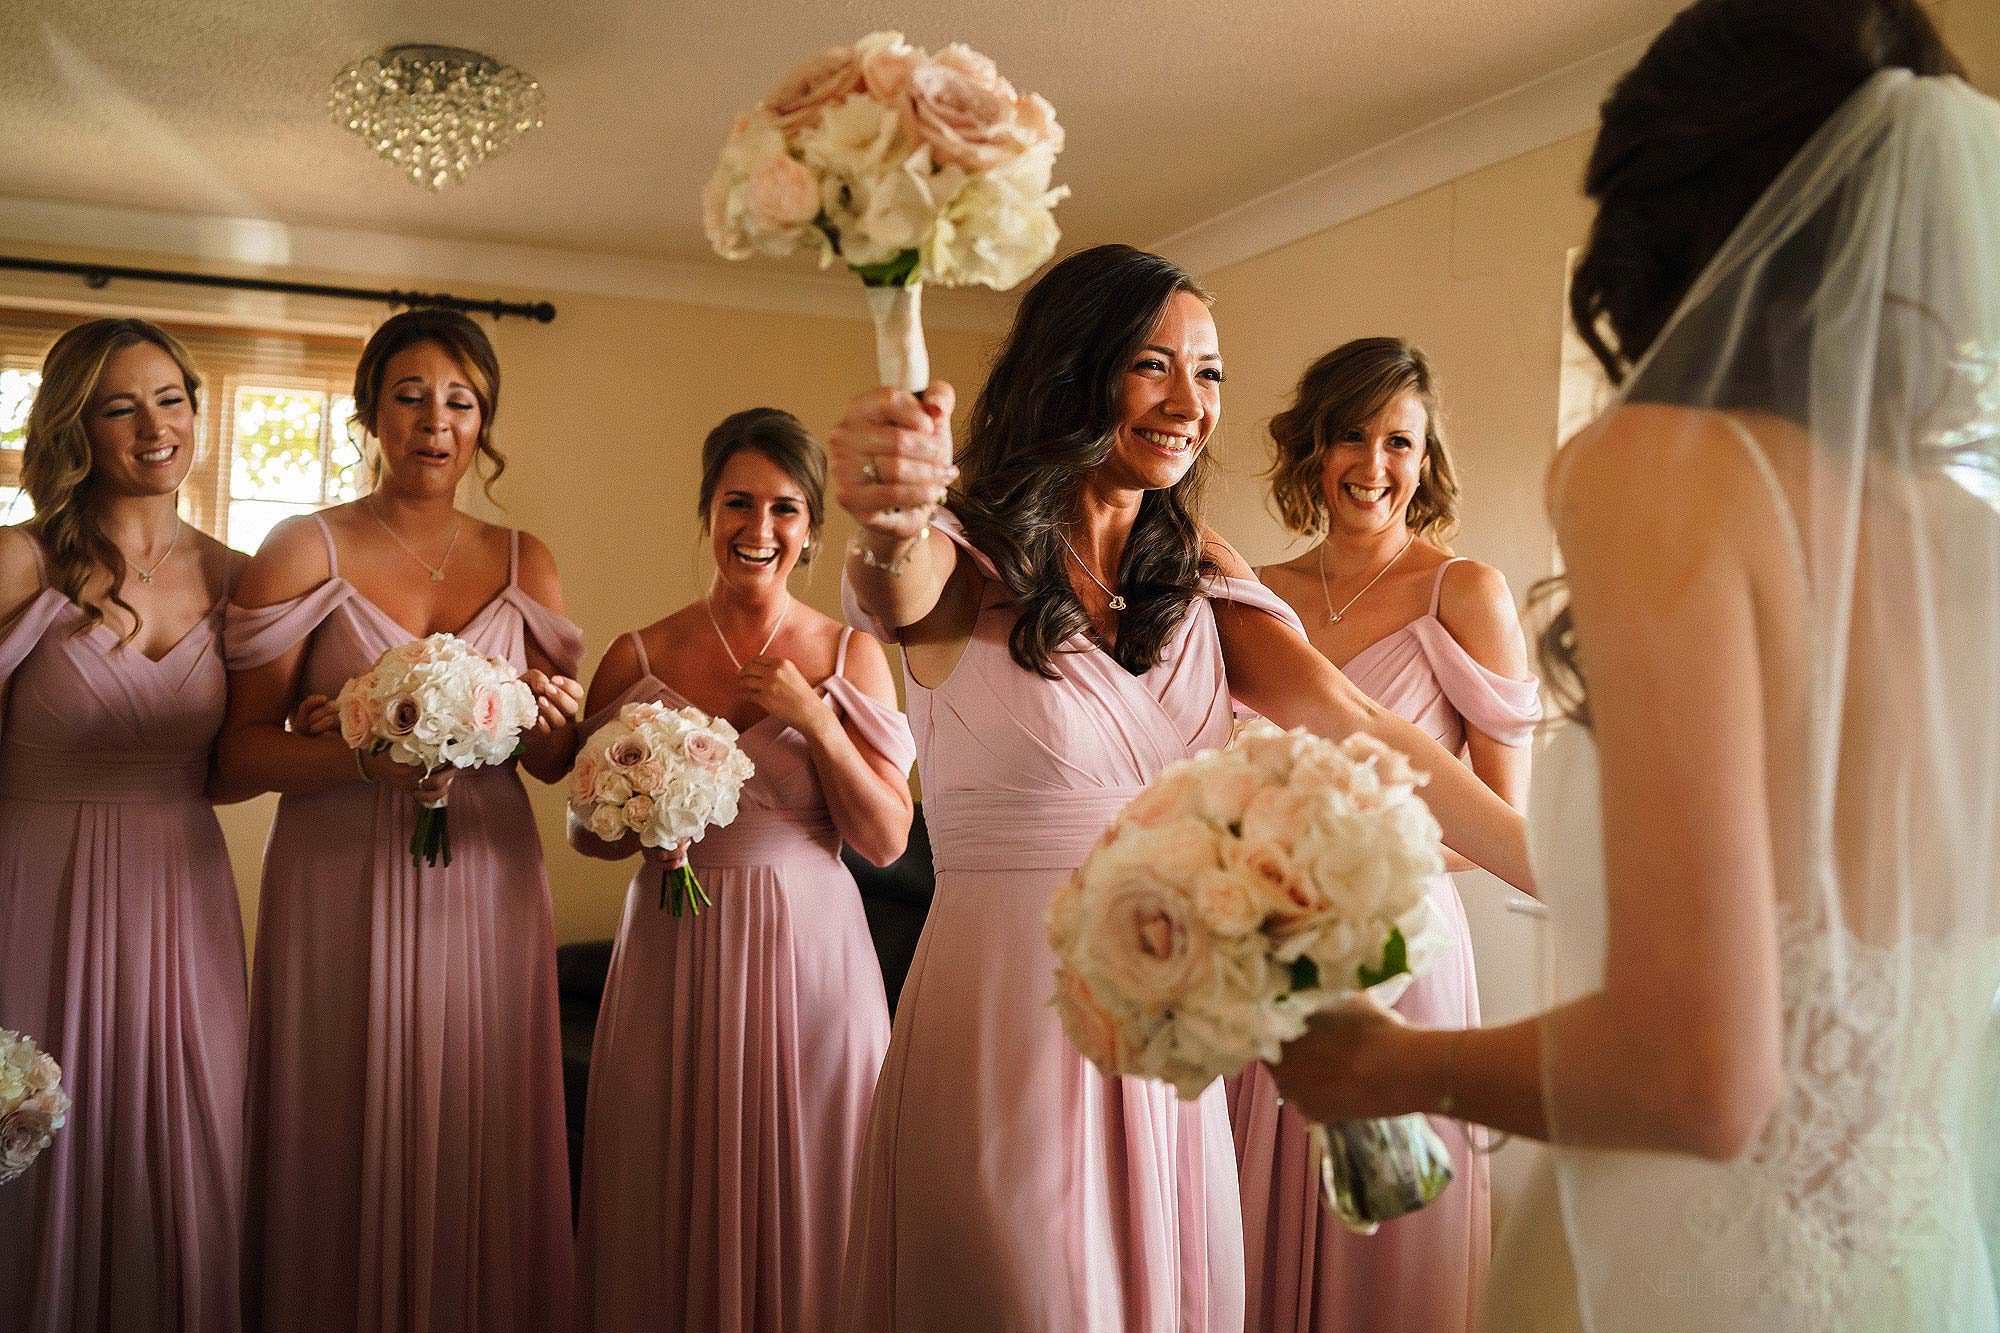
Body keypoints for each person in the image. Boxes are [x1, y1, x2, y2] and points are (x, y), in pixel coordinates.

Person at [1270, 2, 2000, 1329]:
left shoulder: (1664, 469)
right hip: (1924, 1257)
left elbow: (1698, 1076)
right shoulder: (1968, 535)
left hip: (1703, 1266)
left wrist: (1391, 1064)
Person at [829, 243, 1534, 1332]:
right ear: (1075, 369)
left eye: (1207, 371)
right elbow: (895, 573)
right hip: (1004, 1025)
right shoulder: (962, 555)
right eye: (1151, 365)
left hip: (1165, 1032)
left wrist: (1582, 884)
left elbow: (1362, 727)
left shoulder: (1200, 574)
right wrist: (886, 515)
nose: (1187, 401)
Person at [217, 308, 585, 1333]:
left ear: (484, 421)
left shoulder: (525, 560)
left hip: (486, 878)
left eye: (460, 401)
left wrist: (557, 724)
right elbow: (235, 754)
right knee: (338, 1117)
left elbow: (549, 763)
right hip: (340, 873)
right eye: (411, 395)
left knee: (478, 1118)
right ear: (370, 410)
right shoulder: (305, 546)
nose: (435, 420)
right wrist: (351, 758)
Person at [571, 408, 914, 1333]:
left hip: (812, 957)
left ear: (809, 533)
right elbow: (584, 832)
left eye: (784, 509)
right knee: (663, 1166)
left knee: (815, 1172)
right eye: (738, 503)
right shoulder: (638, 654)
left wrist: (819, 720)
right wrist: (644, 816)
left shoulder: (852, 656)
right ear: (706, 510)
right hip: (672, 949)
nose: (757, 529)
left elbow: (885, 838)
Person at [1234, 336, 1539, 1333]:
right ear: (1312, 450)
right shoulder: (1258, 597)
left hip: (1399, 948)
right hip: (1268, 953)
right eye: (1351, 437)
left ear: (1426, 456)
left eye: (1398, 442)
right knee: (1257, 1207)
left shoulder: (1465, 593)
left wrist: (1346, 869)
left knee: (1388, 1251)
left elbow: (1499, 811)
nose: (1374, 466)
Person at [0, 318, 299, 1332]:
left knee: (188, 1138)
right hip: (33, 880)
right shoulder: (21, 562)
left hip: (181, 888)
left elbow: (232, 766)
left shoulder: (241, 576)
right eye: (121, 404)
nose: (153, 424)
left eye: (170, 397)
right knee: (30, 1134)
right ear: (78, 425)